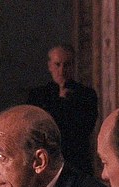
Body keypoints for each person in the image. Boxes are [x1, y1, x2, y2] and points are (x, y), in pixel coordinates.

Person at [27, 44, 98, 175]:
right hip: (48, 162)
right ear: (50, 66)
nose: (62, 70)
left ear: (73, 66)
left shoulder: (86, 95)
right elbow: (38, 129)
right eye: (57, 65)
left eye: (67, 65)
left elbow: (84, 128)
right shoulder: (38, 96)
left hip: (77, 161)